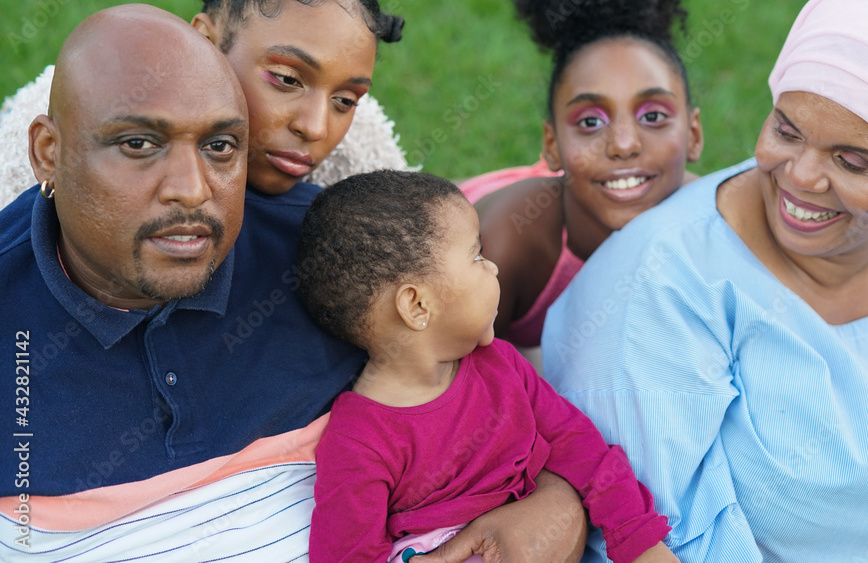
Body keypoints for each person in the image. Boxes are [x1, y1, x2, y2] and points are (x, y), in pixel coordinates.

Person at [0, 6, 587, 561]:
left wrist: (556, 510)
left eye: (221, 146)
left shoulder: (335, 261)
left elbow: (503, 406)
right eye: (139, 144)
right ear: (48, 153)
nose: (192, 188)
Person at [543, 0, 868, 561]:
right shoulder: (663, 284)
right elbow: (654, 538)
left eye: (852, 162)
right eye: (787, 130)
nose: (802, 176)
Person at [297, 169, 680, 563]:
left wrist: (640, 543)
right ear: (416, 306)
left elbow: (581, 448)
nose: (494, 268)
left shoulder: (500, 365)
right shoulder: (357, 442)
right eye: (477, 256)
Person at [0, 0, 411, 208]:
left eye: (345, 99)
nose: (316, 127)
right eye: (287, 79)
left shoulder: (361, 160)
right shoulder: (79, 127)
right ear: (207, 42)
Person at [462, 0, 703, 349]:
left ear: (693, 134)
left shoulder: (707, 222)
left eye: (652, 116)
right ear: (553, 143)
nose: (623, 144)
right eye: (590, 122)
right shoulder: (506, 242)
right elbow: (449, 382)